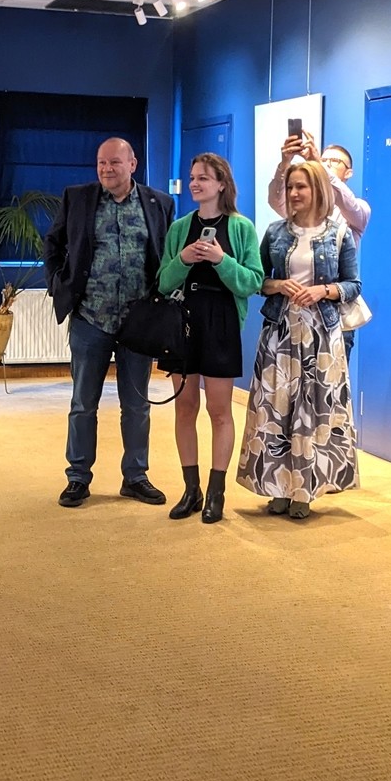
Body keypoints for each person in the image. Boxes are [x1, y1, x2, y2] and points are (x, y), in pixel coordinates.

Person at [43, 137, 176, 510]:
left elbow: (166, 255)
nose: (106, 169)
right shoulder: (78, 198)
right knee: (83, 403)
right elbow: (53, 243)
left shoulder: (160, 203)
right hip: (91, 318)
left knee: (137, 405)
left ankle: (135, 477)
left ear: (133, 164)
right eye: (101, 162)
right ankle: (77, 477)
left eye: (114, 162)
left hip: (139, 323)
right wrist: (56, 283)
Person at [238, 160, 360, 518]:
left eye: (301, 186)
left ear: (317, 189)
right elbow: (257, 280)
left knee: (314, 411)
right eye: (290, 186)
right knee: (276, 407)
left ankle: (304, 490)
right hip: (280, 331)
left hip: (321, 334)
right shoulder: (275, 232)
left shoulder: (339, 234)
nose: (293, 193)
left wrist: (324, 290)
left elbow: (353, 285)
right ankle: (277, 486)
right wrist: (278, 284)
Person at [156, 153, 264, 524]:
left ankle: (216, 493)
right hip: (182, 322)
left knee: (219, 410)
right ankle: (191, 490)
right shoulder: (179, 228)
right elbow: (163, 282)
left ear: (221, 184)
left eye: (203, 177)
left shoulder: (241, 227)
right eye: (192, 177)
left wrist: (221, 260)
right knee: (184, 407)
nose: (195, 183)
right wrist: (184, 259)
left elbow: (252, 282)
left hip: (221, 322)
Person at [267, 131, 372, 353]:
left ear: (349, 172)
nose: (328, 163)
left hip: (332, 314)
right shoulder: (294, 215)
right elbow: (277, 200)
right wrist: (284, 163)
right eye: (324, 159)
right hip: (288, 313)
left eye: (335, 161)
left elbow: (345, 201)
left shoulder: (357, 209)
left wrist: (318, 165)